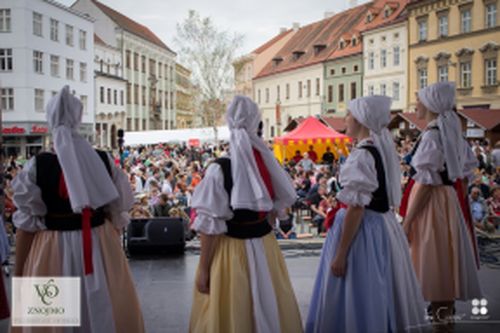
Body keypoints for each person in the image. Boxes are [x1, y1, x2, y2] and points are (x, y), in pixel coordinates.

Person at [10, 86, 144, 332]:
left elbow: (26, 227)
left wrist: (20, 279)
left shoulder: (36, 166)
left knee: (54, 319)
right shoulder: (103, 161)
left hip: (51, 251)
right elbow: (119, 212)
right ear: (78, 119)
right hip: (99, 246)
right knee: (104, 313)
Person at [306, 96, 426, 333]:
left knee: (359, 288)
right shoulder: (376, 148)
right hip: (381, 225)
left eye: (349, 114)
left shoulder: (362, 154)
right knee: (380, 287)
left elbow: (357, 207)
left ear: (361, 119)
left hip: (364, 231)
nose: (346, 119)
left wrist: (341, 253)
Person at [189, 96, 303, 333]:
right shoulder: (267, 164)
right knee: (268, 304)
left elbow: (209, 228)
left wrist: (203, 269)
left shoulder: (219, 169)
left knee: (235, 310)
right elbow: (273, 216)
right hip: (266, 248)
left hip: (231, 253)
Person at [402, 82, 481, 330]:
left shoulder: (433, 134)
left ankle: (442, 325)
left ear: (431, 105)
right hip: (446, 202)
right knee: (443, 267)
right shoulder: (450, 133)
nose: (416, 104)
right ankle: (444, 324)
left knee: (435, 268)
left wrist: (407, 221)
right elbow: (464, 174)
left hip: (432, 206)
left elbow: (426, 184)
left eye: (419, 100)